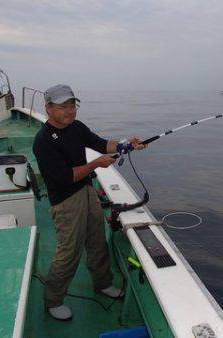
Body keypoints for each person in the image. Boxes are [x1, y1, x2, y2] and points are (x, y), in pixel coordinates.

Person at [33, 84, 146, 321]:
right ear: (48, 108)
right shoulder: (43, 141)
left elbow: (102, 144)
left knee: (97, 242)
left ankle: (102, 283)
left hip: (87, 191)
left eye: (73, 105)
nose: (70, 111)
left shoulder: (76, 127)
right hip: (65, 202)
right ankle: (53, 299)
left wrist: (127, 144)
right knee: (69, 252)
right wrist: (96, 164)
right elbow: (65, 177)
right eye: (63, 106)